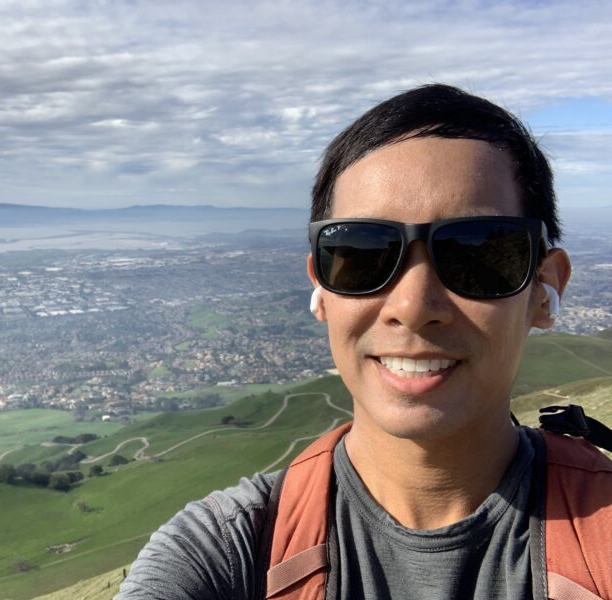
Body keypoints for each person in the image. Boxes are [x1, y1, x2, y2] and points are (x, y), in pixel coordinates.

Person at [115, 84, 611, 600]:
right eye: (364, 252)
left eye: (476, 252)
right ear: (322, 288)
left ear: (543, 288)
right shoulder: (225, 552)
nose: (412, 306)